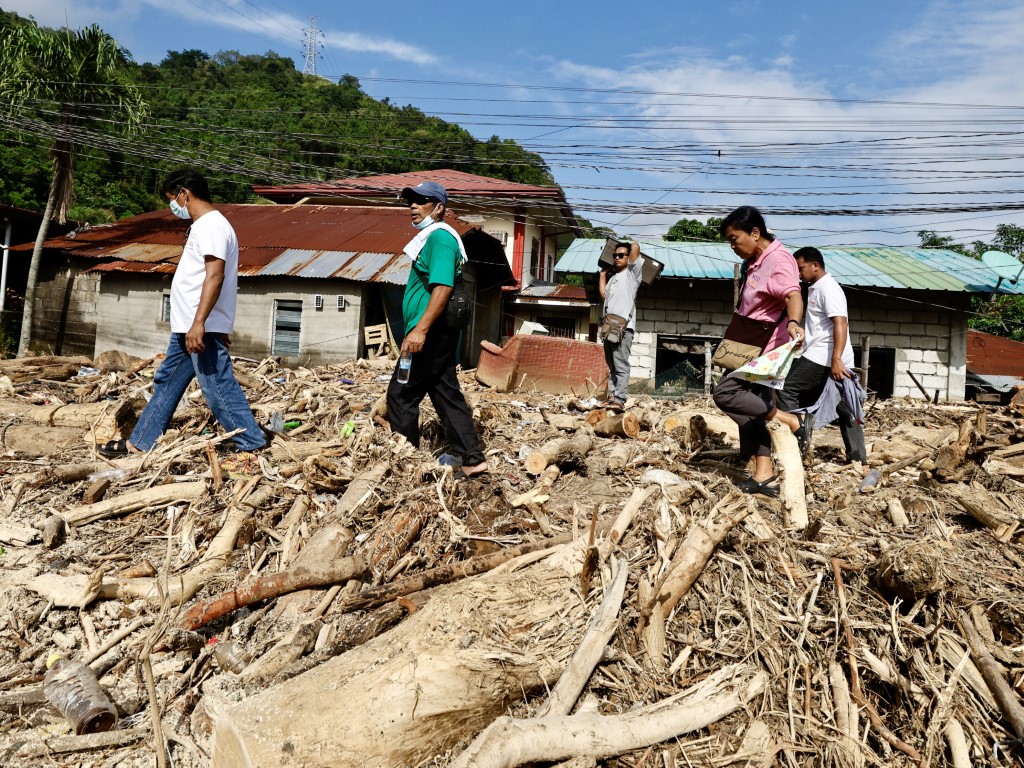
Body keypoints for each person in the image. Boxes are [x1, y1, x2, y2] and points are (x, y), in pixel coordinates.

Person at [96, 169, 265, 458]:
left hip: (198, 327)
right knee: (168, 381)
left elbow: (215, 276)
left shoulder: (212, 226)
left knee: (216, 386)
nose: (173, 206)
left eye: (173, 198)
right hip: (189, 326)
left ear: (184, 193)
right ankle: (141, 442)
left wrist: (202, 323)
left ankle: (252, 443)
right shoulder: (203, 226)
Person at [386, 181, 488, 479]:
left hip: (430, 333)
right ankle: (471, 459)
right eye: (411, 201)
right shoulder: (433, 238)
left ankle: (405, 462)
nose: (413, 206)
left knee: (401, 395)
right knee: (444, 393)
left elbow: (442, 287)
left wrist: (420, 329)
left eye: (421, 201)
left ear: (439, 207)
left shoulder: (440, 238)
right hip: (435, 333)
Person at [712, 206, 807, 497]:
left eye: (734, 239)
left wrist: (794, 322)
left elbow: (793, 295)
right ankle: (764, 474)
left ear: (755, 233)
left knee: (725, 394)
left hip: (767, 347)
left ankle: (792, 420)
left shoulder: (778, 259)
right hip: (748, 343)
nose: (732, 246)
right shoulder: (754, 261)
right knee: (753, 409)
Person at [776, 247, 867, 463]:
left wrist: (836, 359)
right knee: (845, 405)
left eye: (801, 269)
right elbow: (822, 326)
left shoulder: (829, 288)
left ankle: (796, 443)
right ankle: (858, 458)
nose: (798, 274)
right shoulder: (816, 288)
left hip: (825, 356)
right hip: (826, 354)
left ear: (815, 265)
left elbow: (840, 323)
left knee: (786, 388)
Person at [599, 241, 643, 411]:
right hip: (609, 326)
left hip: (624, 328)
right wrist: (603, 274)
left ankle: (620, 398)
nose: (617, 258)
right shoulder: (613, 279)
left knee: (621, 364)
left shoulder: (632, 275)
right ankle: (612, 397)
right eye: (615, 255)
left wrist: (627, 245)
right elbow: (604, 295)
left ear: (628, 257)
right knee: (611, 364)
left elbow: (635, 246)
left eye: (621, 255)